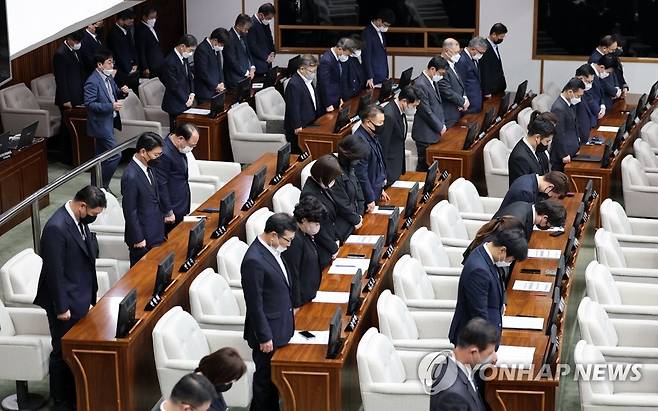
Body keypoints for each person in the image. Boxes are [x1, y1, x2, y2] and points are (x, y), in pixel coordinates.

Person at [34, 185, 107, 411]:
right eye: (94, 214)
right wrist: (61, 307)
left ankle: (76, 396)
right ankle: (61, 402)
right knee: (62, 352)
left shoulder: (79, 221)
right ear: (82, 206)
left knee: (74, 351)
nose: (94, 218)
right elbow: (54, 271)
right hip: (64, 303)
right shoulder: (57, 227)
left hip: (81, 296)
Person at [241, 213, 297, 411]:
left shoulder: (273, 251)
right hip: (267, 334)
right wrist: (264, 336)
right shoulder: (253, 260)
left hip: (280, 325)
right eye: (287, 240)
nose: (289, 245)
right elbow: (254, 303)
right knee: (265, 383)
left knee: (273, 382)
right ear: (273, 235)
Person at [448, 227, 528, 346]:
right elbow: (478, 313)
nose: (510, 262)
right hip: (473, 342)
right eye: (512, 259)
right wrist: (488, 347)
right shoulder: (479, 270)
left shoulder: (485, 255)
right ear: (503, 250)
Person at [83, 49, 129, 190]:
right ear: (100, 65)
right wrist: (110, 106)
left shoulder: (108, 77)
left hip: (110, 122)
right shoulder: (92, 81)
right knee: (115, 155)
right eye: (109, 62)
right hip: (100, 124)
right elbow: (89, 104)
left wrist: (122, 92)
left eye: (112, 62)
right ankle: (103, 186)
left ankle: (95, 187)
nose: (112, 65)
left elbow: (114, 93)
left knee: (100, 157)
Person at [429, 318, 497, 411]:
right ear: (473, 352)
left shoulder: (452, 365)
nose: (494, 358)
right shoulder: (453, 397)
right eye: (490, 353)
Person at [121, 132, 166, 266]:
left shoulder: (149, 167)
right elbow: (130, 211)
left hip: (155, 232)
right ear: (143, 152)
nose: (158, 158)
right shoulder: (131, 176)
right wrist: (139, 238)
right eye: (156, 155)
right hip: (142, 240)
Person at [154, 123, 198, 233]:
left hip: (181, 204)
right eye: (191, 145)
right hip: (172, 209)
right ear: (180, 139)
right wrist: (168, 211)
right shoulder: (164, 153)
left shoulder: (178, 148)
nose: (191, 149)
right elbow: (161, 185)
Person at [282, 196, 325, 308]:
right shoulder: (294, 239)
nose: (318, 227)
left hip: (310, 293)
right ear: (304, 220)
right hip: (301, 300)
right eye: (315, 224)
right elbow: (292, 273)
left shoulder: (304, 232)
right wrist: (296, 305)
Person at [301, 155, 342, 267]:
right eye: (332, 178)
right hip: (323, 250)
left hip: (332, 241)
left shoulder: (321, 187)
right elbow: (316, 229)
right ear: (323, 176)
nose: (333, 182)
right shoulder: (309, 194)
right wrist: (333, 248)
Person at [53, 29, 85, 164]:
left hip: (77, 94)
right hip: (67, 98)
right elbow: (61, 79)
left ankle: (74, 155)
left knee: (73, 127)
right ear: (69, 38)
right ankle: (66, 157)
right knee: (67, 128)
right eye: (76, 41)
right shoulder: (60, 54)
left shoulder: (74, 50)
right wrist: (66, 99)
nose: (78, 44)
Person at [411, 56, 448, 171]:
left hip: (432, 131)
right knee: (423, 167)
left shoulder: (431, 80)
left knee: (431, 167)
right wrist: (440, 126)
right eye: (440, 74)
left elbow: (436, 104)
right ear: (432, 69)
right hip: (424, 133)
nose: (441, 77)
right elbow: (425, 110)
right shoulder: (420, 84)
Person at [379, 85, 418, 183]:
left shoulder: (398, 110)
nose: (414, 109)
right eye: (413, 106)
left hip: (397, 164)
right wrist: (383, 175)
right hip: (390, 169)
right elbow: (383, 147)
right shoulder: (389, 115)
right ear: (404, 101)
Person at [331, 134, 367, 241]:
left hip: (355, 220)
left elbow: (358, 188)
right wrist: (356, 219)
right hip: (343, 226)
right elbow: (341, 203)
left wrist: (360, 214)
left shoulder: (349, 167)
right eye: (358, 158)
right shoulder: (335, 171)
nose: (359, 161)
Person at [354, 104, 389, 211]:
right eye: (380, 123)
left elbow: (378, 161)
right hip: (367, 198)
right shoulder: (359, 141)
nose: (382, 125)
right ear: (368, 123)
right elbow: (361, 175)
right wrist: (369, 198)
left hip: (376, 190)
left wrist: (380, 189)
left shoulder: (371, 133)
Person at [284, 54, 321, 153]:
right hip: (300, 129)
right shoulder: (294, 84)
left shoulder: (308, 80)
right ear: (302, 69)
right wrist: (297, 126)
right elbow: (293, 107)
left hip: (310, 123)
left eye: (315, 71)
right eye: (311, 71)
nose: (313, 74)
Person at [508, 111, 556, 184]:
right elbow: (524, 187)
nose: (548, 144)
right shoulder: (520, 158)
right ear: (537, 138)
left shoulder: (538, 149)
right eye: (547, 141)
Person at [161, 34, 197, 128]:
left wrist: (192, 93)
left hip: (186, 101)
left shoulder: (183, 57)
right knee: (177, 131)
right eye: (191, 50)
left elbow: (190, 76)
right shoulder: (170, 61)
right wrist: (186, 99)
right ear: (182, 46)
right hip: (175, 103)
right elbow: (174, 85)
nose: (191, 53)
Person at [550, 78, 586, 171]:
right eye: (578, 96)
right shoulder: (559, 108)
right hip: (562, 156)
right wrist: (564, 154)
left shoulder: (568, 103)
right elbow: (558, 133)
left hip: (571, 149)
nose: (579, 99)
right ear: (570, 92)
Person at [493, 199, 567, 241]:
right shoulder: (518, 223)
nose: (547, 228)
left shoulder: (524, 204)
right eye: (550, 226)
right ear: (545, 218)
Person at [318, 37, 356, 112]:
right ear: (340, 49)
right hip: (328, 102)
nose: (346, 57)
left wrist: (339, 98)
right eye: (346, 54)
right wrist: (328, 104)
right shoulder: (326, 60)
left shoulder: (335, 57)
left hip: (336, 98)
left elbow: (338, 80)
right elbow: (324, 84)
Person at [439, 38, 469, 128]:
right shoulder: (440, 66)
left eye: (458, 52)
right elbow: (445, 90)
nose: (458, 55)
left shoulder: (452, 64)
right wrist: (462, 102)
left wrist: (464, 97)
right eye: (455, 53)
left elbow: (460, 84)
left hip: (457, 110)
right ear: (446, 51)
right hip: (448, 113)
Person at [361, 8, 395, 87]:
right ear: (379, 20)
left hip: (382, 76)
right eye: (385, 25)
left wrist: (386, 73)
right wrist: (369, 77)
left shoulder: (381, 32)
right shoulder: (367, 33)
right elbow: (366, 56)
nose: (386, 28)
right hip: (373, 78)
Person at [500, 171, 569, 209]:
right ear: (550, 187)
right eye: (554, 196)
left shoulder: (529, 178)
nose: (551, 198)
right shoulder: (526, 193)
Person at [107, 8, 139, 92]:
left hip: (132, 69)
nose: (131, 24)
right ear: (121, 20)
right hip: (123, 72)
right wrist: (129, 69)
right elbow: (119, 55)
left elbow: (132, 48)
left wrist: (135, 63)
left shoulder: (127, 30)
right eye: (129, 22)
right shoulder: (113, 34)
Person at [194, 28, 229, 103]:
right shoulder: (202, 49)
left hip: (217, 90)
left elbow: (220, 68)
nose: (221, 47)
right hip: (205, 92)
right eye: (221, 45)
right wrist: (215, 86)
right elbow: (203, 72)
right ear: (215, 40)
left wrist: (222, 82)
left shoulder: (215, 49)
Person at [455, 36, 487, 114]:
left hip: (475, 103)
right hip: (468, 106)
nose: (481, 55)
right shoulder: (462, 60)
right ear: (473, 49)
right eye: (481, 53)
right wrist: (463, 102)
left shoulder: (473, 59)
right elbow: (460, 84)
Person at [224, 14, 255, 90]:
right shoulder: (229, 38)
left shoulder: (243, 35)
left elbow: (248, 53)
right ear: (238, 26)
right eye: (245, 29)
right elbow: (232, 61)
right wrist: (246, 73)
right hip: (235, 79)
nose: (247, 31)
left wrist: (252, 67)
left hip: (247, 76)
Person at [247, 3, 276, 77]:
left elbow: (269, 37)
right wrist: (266, 57)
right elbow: (252, 46)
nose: (269, 20)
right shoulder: (251, 24)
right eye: (268, 18)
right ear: (261, 15)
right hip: (258, 62)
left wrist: (272, 52)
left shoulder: (264, 22)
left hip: (268, 61)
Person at [479, 23, 508, 97]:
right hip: (490, 91)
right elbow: (485, 70)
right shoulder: (484, 46)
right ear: (494, 34)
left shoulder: (494, 45)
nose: (502, 39)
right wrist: (486, 92)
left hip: (498, 88)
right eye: (501, 37)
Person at [135, 7, 165, 78]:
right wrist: (145, 67)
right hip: (151, 66)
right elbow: (141, 50)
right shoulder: (140, 30)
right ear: (144, 17)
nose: (154, 20)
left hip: (159, 63)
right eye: (151, 17)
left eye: (155, 17)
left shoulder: (152, 27)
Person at [575, 64, 601, 141]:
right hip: (580, 136)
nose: (589, 85)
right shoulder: (573, 93)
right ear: (580, 78)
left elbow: (596, 109)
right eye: (588, 81)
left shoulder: (586, 91)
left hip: (589, 130)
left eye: (591, 82)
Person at [342, 35, 366, 101]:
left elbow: (360, 74)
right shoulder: (343, 59)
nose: (359, 51)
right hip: (348, 96)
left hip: (357, 92)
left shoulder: (354, 58)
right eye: (358, 49)